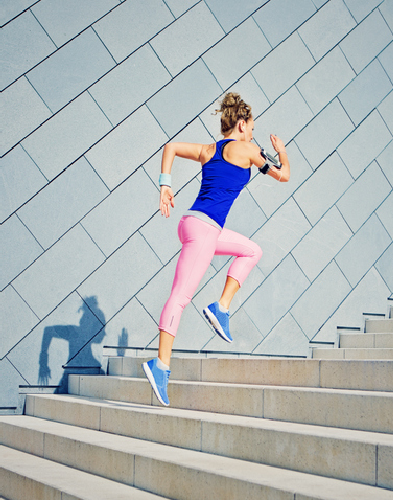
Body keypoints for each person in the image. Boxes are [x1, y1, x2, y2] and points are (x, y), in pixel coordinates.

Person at [143, 92, 290, 406]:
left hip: (195, 225)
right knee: (179, 298)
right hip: (205, 230)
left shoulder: (210, 149)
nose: (253, 132)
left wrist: (165, 184)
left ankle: (221, 308)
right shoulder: (248, 148)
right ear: (240, 124)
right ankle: (160, 366)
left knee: (251, 250)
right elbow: (283, 176)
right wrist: (282, 152)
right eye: (251, 126)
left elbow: (169, 147)